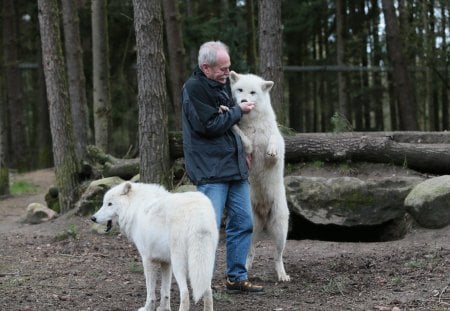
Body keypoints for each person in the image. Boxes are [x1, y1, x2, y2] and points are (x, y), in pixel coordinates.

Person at [181, 41, 263, 293]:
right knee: (207, 230)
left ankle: (236, 278)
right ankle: (198, 282)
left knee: (243, 222)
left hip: (234, 169)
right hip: (211, 172)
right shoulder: (194, 89)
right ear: (206, 67)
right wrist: (238, 111)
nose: (228, 72)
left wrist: (244, 152)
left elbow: (229, 127)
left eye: (229, 67)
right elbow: (210, 125)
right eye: (223, 68)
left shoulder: (221, 87)